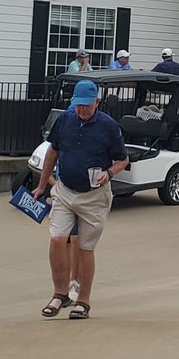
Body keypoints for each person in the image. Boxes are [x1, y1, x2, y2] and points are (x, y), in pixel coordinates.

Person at [33, 79, 129, 321]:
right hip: (65, 189)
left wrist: (109, 173)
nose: (82, 110)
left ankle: (83, 301)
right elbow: (53, 151)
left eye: (87, 105)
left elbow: (122, 160)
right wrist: (42, 185)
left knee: (85, 249)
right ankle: (60, 293)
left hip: (94, 195)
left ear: (97, 102)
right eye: (78, 105)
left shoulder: (108, 126)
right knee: (57, 240)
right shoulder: (64, 120)